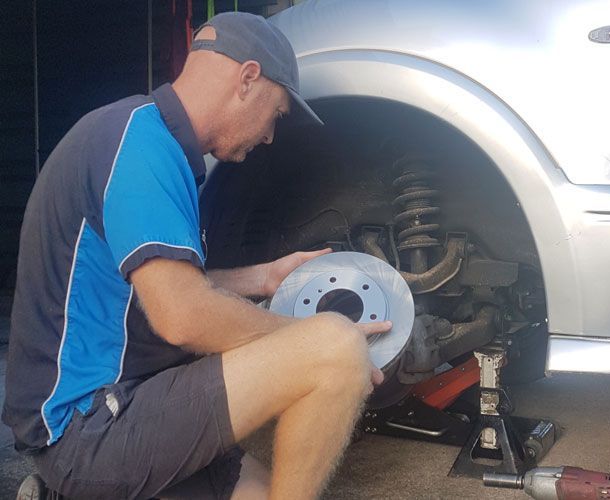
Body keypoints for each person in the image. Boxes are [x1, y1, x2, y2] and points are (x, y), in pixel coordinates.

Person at [4, 11, 390, 500]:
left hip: (131, 404)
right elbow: (182, 315)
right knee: (336, 352)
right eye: (276, 113)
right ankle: (80, 487)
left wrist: (265, 277)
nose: (270, 135)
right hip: (89, 429)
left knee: (263, 490)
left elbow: (155, 291)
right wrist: (314, 340)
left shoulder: (140, 136)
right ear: (248, 79)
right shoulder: (139, 145)